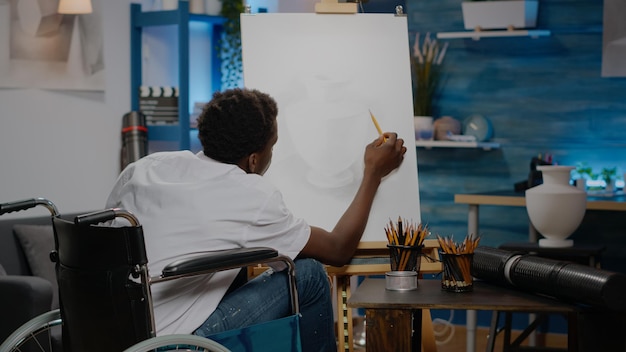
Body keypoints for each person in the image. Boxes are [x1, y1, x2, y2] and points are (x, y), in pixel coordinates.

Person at [105, 88, 407, 352]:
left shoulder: (145, 168)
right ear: (253, 159)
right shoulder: (248, 193)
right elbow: (339, 249)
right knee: (311, 275)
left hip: (115, 335)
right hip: (174, 343)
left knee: (237, 273)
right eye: (271, 148)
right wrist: (372, 173)